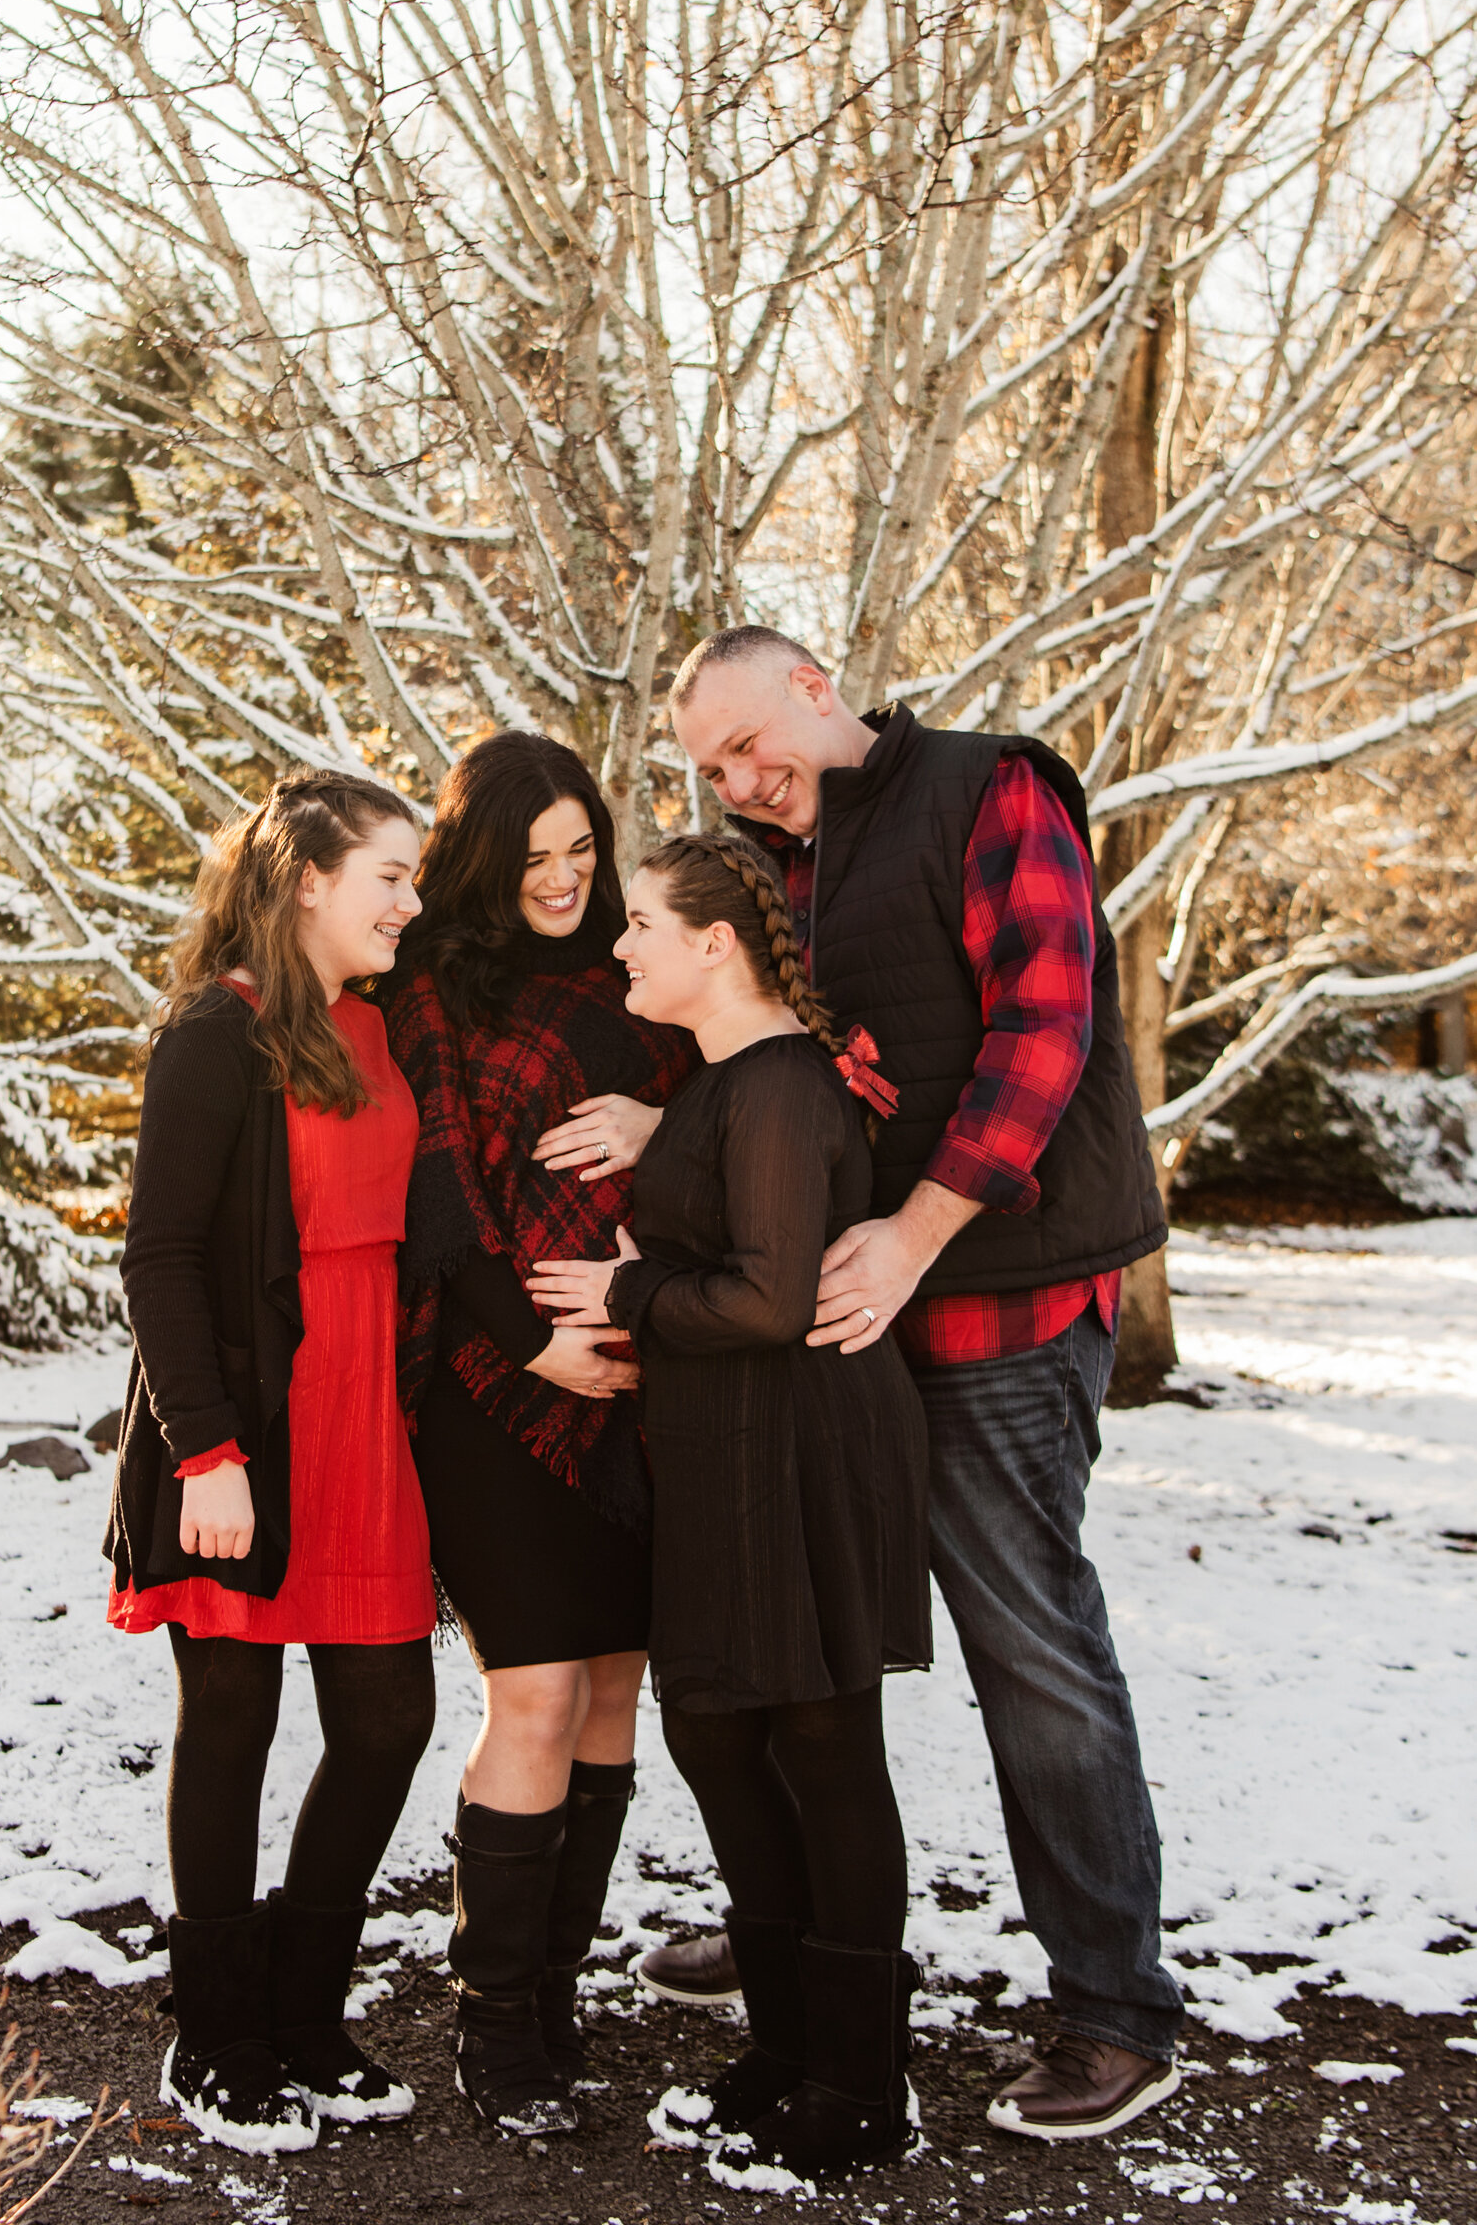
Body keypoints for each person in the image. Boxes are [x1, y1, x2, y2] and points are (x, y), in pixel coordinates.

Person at [647, 623, 1182, 2145]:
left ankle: (1113, 2008)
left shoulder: (985, 791)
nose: (744, 782)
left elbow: (1043, 1026)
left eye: (756, 744)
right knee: (808, 1658)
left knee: (1031, 1646)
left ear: (818, 689)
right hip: (840, 1331)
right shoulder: (771, 863)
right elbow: (774, 1058)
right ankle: (809, 1945)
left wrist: (920, 1227)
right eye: (713, 769)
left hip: (999, 1312)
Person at [528, 833, 931, 2187]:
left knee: (821, 1749)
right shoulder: (722, 1084)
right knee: (714, 1732)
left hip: (802, 1452)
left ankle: (861, 2083)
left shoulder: (778, 1090)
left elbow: (767, 1299)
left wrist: (629, 1296)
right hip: (723, 1454)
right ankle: (786, 2044)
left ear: (717, 944)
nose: (619, 944)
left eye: (641, 921)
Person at [105, 770, 437, 2155]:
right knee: (231, 1727)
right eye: (391, 879)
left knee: (385, 1722)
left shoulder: (377, 1024)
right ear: (309, 878)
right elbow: (160, 1259)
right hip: (249, 1425)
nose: (410, 906)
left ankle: (306, 2012)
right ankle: (217, 2035)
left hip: (371, 1427)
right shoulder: (215, 1036)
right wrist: (211, 1452)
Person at [380, 732, 692, 2137]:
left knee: (619, 1696)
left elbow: (743, 1088)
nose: (564, 879)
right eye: (536, 857)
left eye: (582, 851)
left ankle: (559, 1986)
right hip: (497, 1386)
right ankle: (495, 2020)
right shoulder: (436, 985)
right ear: (484, 859)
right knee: (540, 1694)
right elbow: (439, 1187)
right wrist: (534, 1344)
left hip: (644, 1384)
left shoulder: (637, 978)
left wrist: (656, 1114)